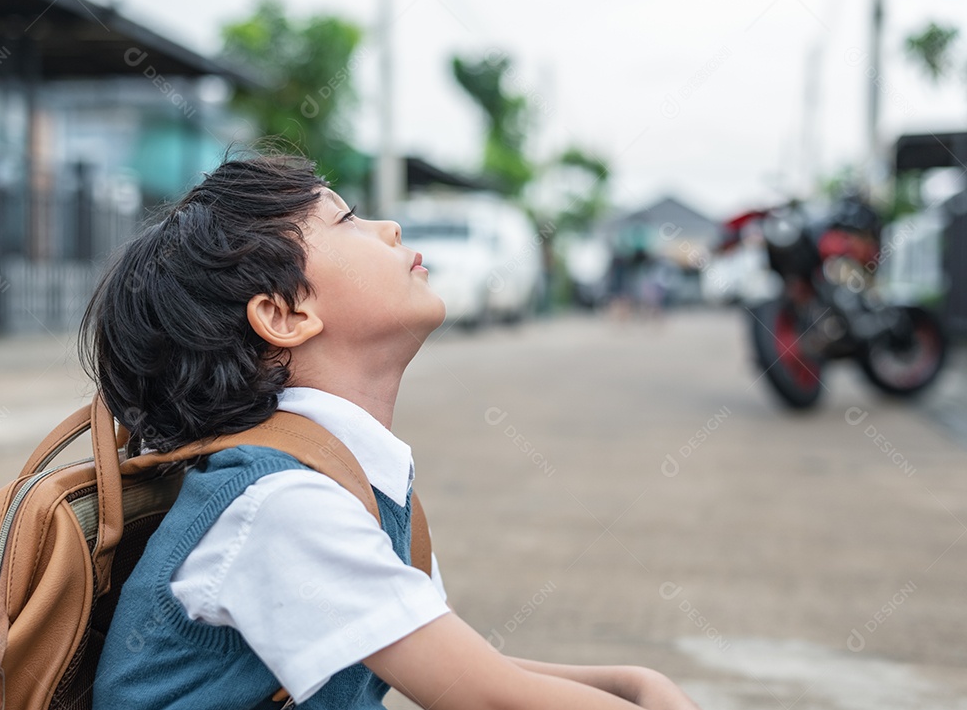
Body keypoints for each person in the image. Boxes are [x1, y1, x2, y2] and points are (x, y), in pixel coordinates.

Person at [83, 150, 701, 710]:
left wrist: (628, 680)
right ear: (284, 314)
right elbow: (484, 699)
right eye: (347, 221)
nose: (391, 228)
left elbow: (460, 668)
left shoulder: (342, 477)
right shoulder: (282, 506)